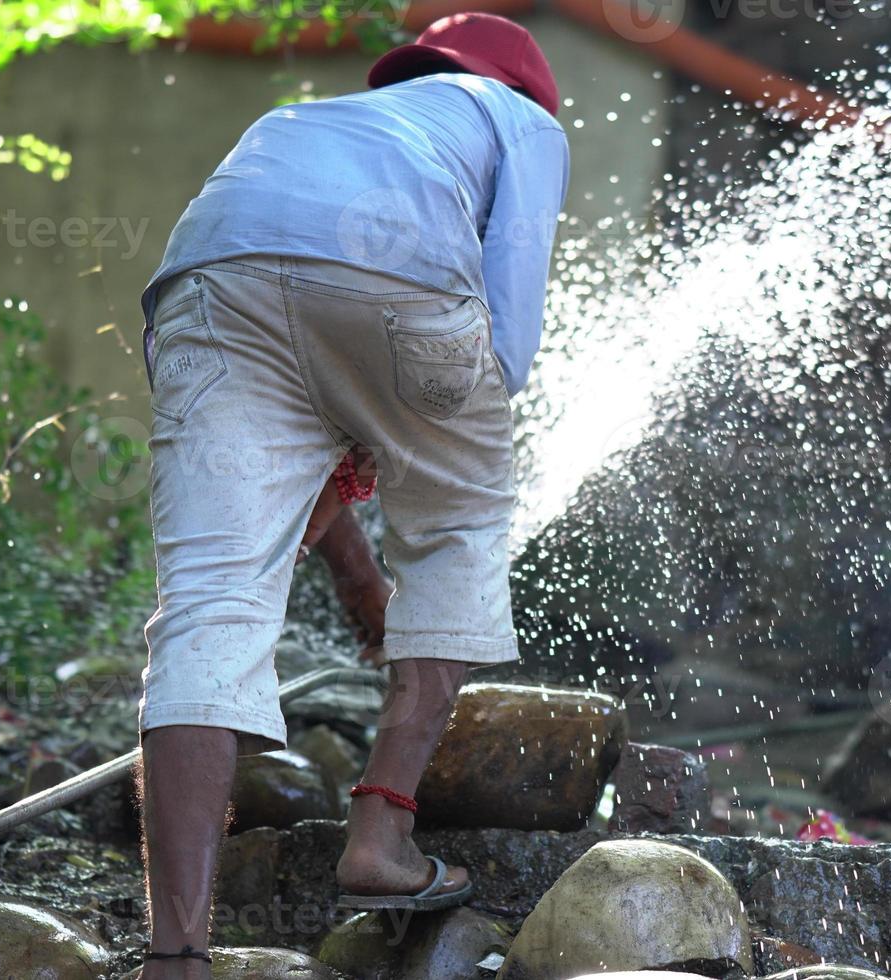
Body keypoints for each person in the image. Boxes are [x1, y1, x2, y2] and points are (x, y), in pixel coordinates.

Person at [131, 13, 568, 977]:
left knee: (208, 601)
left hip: (206, 285)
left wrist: (359, 565)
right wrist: (430, 450)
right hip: (402, 277)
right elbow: (508, 339)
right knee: (457, 532)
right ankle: (380, 838)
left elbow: (302, 352)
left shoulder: (306, 121)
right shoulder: (523, 119)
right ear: (529, 89)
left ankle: (177, 955)